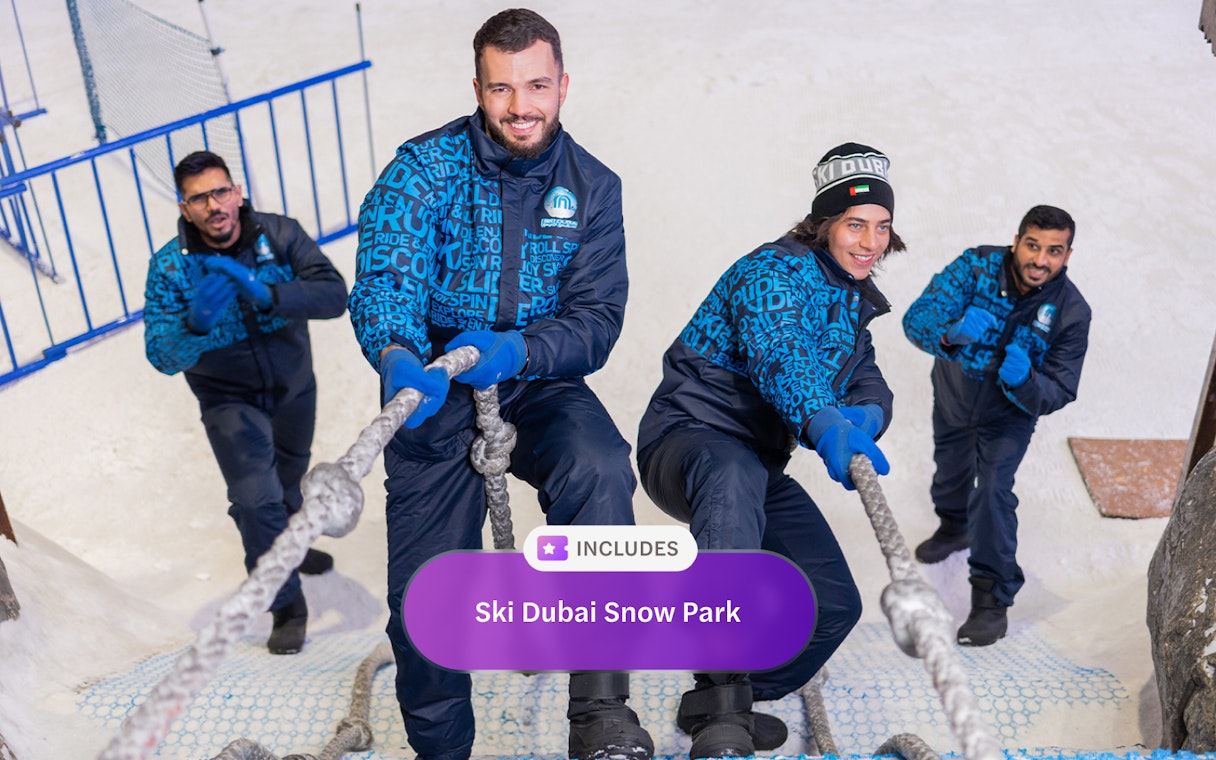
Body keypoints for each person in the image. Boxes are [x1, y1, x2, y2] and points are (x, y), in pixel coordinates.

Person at [347, 9, 653, 760]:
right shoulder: (421, 169)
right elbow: (389, 275)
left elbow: (596, 319)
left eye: (537, 85)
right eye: (502, 88)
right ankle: (443, 748)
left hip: (533, 375)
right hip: (434, 383)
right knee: (424, 593)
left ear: (563, 85)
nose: (522, 105)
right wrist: (395, 354)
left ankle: (602, 714)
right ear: (478, 88)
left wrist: (517, 350)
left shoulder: (592, 188)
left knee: (602, 470)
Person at [637, 143, 902, 759]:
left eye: (881, 227)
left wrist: (866, 414)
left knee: (832, 604)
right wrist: (822, 420)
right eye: (855, 225)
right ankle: (722, 710)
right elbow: (780, 355)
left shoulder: (850, 301)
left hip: (754, 465)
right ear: (824, 224)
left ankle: (723, 695)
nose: (869, 241)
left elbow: (867, 378)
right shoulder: (771, 274)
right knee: (730, 478)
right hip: (688, 438)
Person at [143, 151, 347, 655]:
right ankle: (285, 604)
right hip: (228, 400)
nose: (214, 206)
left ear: (237, 192)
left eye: (220, 192)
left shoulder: (279, 236)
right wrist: (193, 325)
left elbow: (334, 295)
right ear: (184, 207)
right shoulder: (171, 268)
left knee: (286, 486)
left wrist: (270, 296)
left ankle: (291, 548)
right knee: (257, 503)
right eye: (199, 198)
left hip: (295, 389)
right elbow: (161, 356)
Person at [902, 204, 1090, 647]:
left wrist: (1025, 381)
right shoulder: (975, 267)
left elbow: (1061, 388)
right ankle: (953, 526)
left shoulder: (1071, 311)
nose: (1040, 260)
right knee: (949, 469)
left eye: (1054, 250)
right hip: (954, 395)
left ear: (1067, 254)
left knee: (992, 492)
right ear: (1016, 241)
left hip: (1008, 417)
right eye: (1032, 245)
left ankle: (990, 600)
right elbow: (917, 320)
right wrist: (950, 335)